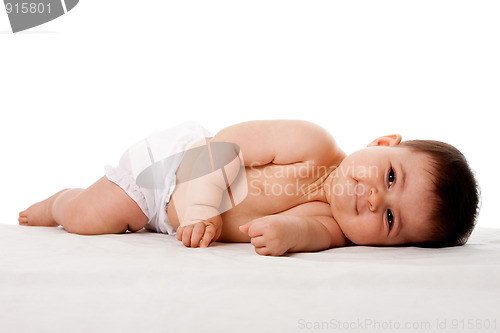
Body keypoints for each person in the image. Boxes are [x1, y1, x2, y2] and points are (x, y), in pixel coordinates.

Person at [18, 120, 480, 256]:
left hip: (175, 225)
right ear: (382, 143)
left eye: (391, 219)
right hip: (169, 176)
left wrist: (286, 237)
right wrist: (201, 209)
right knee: (86, 221)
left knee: (111, 225)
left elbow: (301, 231)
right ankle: (60, 201)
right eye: (391, 176)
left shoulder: (334, 229)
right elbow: (222, 148)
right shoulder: (311, 145)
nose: (375, 198)